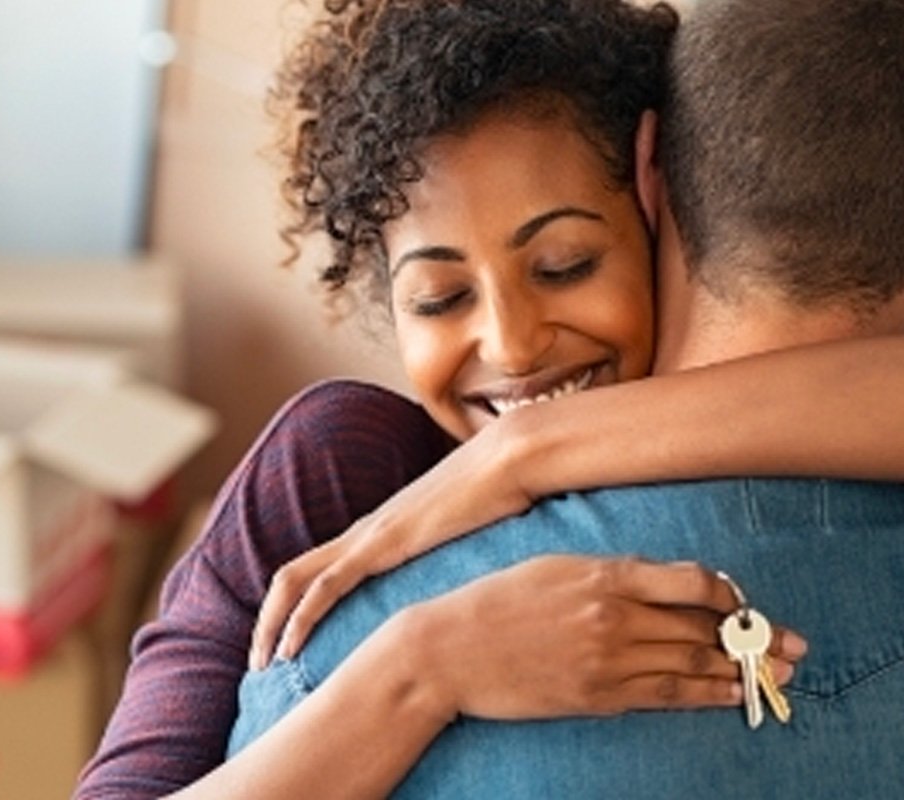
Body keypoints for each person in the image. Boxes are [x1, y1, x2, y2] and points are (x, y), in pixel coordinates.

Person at [74, 1, 904, 796]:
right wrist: (420, 669)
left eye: (565, 266)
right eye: (439, 299)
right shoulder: (337, 467)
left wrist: (529, 452)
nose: (513, 346)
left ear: (657, 201)